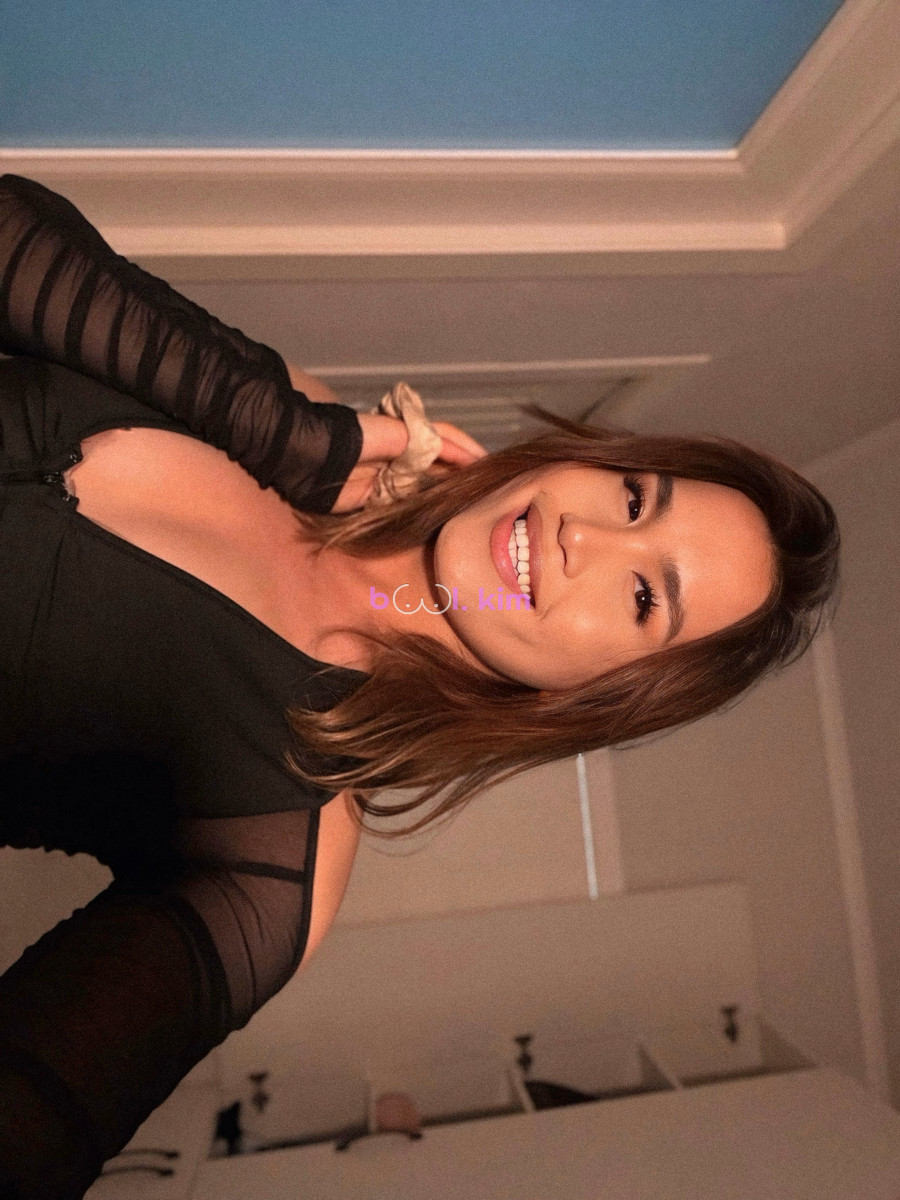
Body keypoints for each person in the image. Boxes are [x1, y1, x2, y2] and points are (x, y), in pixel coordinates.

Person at [0, 174, 838, 1198]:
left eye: (641, 598)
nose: (584, 538)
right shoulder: (303, 416)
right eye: (633, 497)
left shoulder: (276, 853)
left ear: (602, 696)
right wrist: (283, 428)